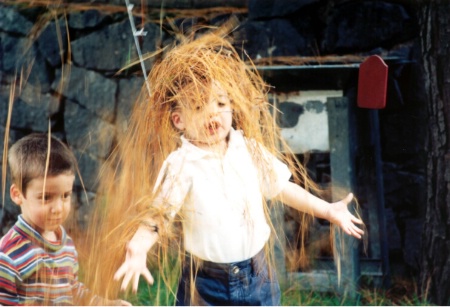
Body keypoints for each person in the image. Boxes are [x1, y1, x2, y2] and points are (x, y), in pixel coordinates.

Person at [100, 32, 364, 305]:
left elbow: (282, 188)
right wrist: (138, 247)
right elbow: (157, 217)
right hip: (205, 283)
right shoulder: (180, 165)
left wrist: (327, 209)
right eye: (200, 106)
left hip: (258, 275)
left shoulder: (248, 150)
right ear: (178, 120)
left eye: (221, 103)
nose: (213, 113)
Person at [0, 133, 131, 306]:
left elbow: (73, 291)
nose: (58, 208)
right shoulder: (8, 256)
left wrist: (105, 303)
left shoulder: (65, 244)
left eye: (65, 196)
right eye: (46, 197)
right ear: (17, 194)